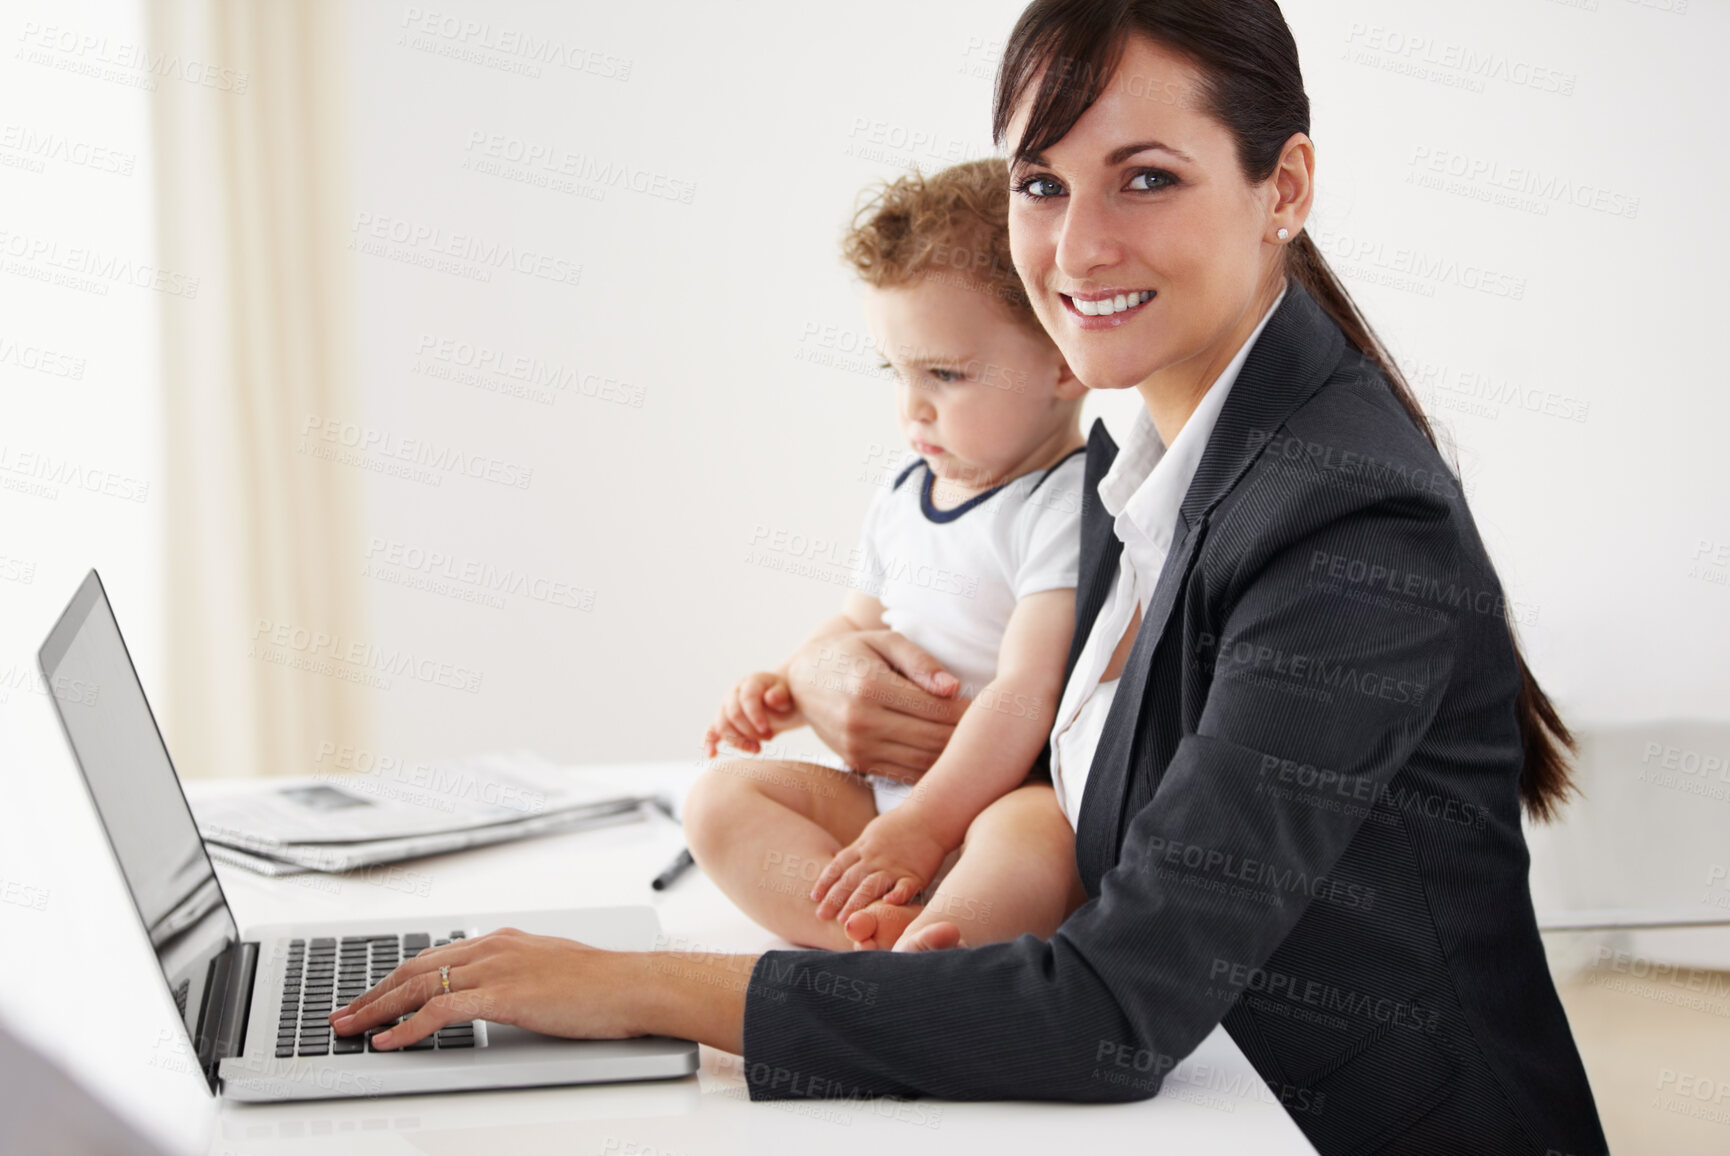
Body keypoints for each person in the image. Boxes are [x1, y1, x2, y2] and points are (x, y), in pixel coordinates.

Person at [332, 3, 1609, 1152]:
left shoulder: (1344, 520)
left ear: (1284, 187)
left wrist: (630, 988)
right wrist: (831, 665)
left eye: (1146, 179)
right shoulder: (1145, 451)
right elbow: (1001, 664)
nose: (1076, 246)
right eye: (1041, 183)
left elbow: (1112, 1011)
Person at [687, 158, 1091, 953]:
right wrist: (785, 685)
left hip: (1002, 796)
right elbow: (854, 623)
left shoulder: (1065, 504)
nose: (913, 408)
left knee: (1039, 839)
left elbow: (1025, 691)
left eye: (945, 374)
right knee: (718, 799)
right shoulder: (906, 490)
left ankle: (947, 938)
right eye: (897, 372)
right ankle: (877, 940)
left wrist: (926, 825)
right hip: (887, 802)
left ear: (1064, 360)